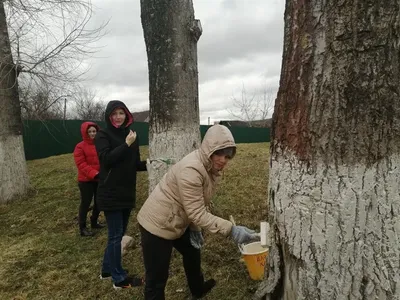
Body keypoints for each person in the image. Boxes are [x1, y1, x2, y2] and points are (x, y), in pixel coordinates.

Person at [137, 124, 259, 300]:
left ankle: (198, 289)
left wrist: (194, 229)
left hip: (177, 218)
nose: (223, 160)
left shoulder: (210, 168)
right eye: (219, 153)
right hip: (157, 224)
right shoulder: (192, 169)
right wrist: (232, 230)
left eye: (227, 155)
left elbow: (196, 202)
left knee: (192, 252)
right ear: (209, 149)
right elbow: (196, 211)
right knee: (156, 279)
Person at [94, 100, 147, 289]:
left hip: (126, 191)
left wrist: (149, 164)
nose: (118, 117)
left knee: (118, 234)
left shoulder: (131, 135)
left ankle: (107, 270)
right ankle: (119, 279)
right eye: (114, 114)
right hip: (110, 191)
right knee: (115, 236)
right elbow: (107, 160)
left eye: (121, 113)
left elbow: (134, 163)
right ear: (109, 116)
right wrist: (126, 144)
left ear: (127, 115)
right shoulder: (102, 135)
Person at [73, 121, 104, 237]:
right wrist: (94, 173)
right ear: (85, 133)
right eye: (90, 131)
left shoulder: (100, 144)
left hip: (99, 178)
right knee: (85, 203)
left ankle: (94, 221)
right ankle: (82, 227)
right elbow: (81, 164)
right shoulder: (80, 146)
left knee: (99, 201)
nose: (92, 134)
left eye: (94, 131)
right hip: (86, 180)